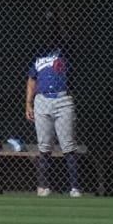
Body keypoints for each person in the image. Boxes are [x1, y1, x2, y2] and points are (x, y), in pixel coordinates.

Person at [24, 24, 83, 198]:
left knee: (68, 145)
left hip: (62, 99)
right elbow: (31, 80)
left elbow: (66, 32)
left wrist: (57, 15)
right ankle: (43, 187)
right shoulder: (38, 56)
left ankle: (75, 187)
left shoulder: (65, 50)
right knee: (44, 145)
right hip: (41, 100)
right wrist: (28, 103)